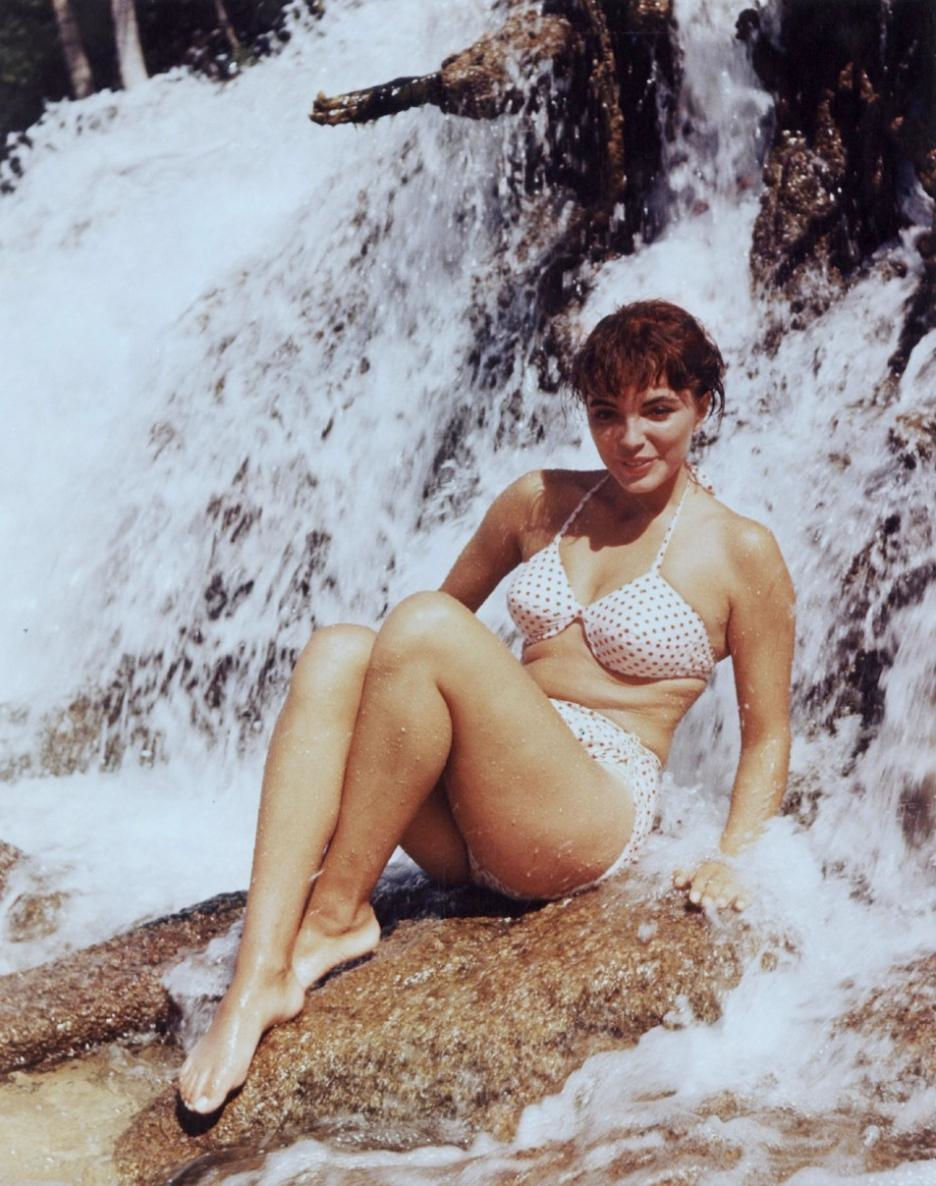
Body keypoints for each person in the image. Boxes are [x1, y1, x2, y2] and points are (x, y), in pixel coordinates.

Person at [178, 299, 795, 1114]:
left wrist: (732, 856)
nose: (629, 438)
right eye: (606, 415)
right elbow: (409, 649)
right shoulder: (540, 501)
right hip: (475, 808)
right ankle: (257, 979)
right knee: (338, 651)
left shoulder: (740, 549)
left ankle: (334, 915)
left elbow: (767, 734)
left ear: (701, 407)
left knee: (427, 629)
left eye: (658, 411)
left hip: (583, 818)